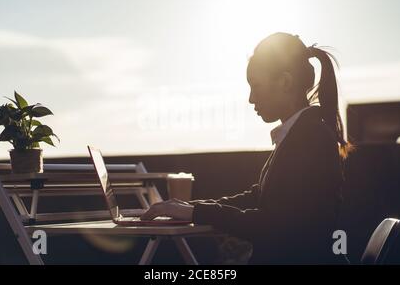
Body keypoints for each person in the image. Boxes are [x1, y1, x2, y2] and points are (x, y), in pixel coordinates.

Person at [140, 32, 353, 264]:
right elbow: (259, 199)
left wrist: (194, 213)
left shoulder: (309, 139)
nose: (251, 99)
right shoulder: (303, 134)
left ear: (285, 82)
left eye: (256, 86)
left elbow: (273, 224)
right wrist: (190, 208)